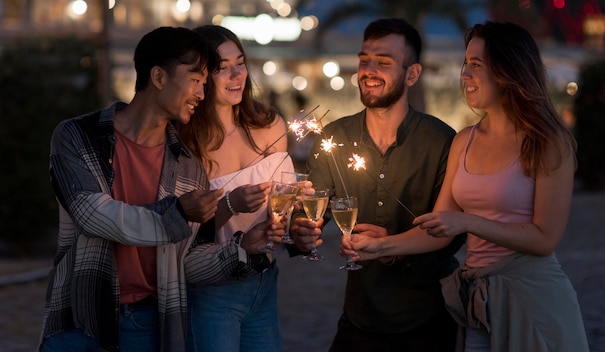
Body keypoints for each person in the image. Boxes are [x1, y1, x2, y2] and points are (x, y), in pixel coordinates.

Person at [344, 21, 589, 351]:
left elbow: (545, 239)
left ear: (508, 70)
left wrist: (469, 222)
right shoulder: (464, 141)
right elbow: (442, 227)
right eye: (465, 64)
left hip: (533, 302)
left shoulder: (547, 142)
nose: (464, 75)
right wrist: (383, 246)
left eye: (476, 65)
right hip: (478, 304)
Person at [40, 26, 284, 352]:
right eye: (195, 80)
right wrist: (178, 214)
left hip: (149, 323)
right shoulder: (78, 136)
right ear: (158, 77)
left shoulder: (187, 166)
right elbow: (93, 214)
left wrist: (244, 251)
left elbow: (187, 260)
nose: (202, 92)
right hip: (79, 321)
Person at [290, 18, 465, 351]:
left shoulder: (441, 141)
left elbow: (453, 235)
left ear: (412, 74)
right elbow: (311, 214)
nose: (368, 70)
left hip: (428, 318)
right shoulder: (334, 138)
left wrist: (391, 248)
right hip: (359, 318)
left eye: (383, 62)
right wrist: (301, 231)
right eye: (364, 59)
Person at [176, 25, 294, 352]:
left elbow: (282, 213)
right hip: (213, 289)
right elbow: (183, 232)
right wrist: (230, 203)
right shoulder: (188, 142)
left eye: (239, 62)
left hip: (264, 281)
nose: (236, 74)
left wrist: (298, 210)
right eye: (221, 68)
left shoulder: (270, 126)